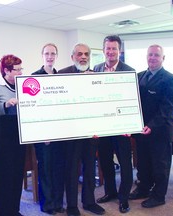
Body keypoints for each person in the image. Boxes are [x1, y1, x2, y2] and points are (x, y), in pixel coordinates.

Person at [129, 44, 173, 208]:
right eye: (150, 55)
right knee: (143, 164)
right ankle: (143, 188)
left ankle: (159, 196)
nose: (152, 58)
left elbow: (167, 108)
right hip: (142, 131)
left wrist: (151, 125)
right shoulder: (139, 76)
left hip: (160, 131)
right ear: (146, 56)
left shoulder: (171, 80)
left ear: (163, 58)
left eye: (156, 55)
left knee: (160, 166)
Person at [58, 43, 105, 216]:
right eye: (79, 54)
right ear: (73, 57)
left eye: (86, 54)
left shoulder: (96, 76)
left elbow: (101, 103)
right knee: (71, 170)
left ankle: (89, 201)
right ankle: (71, 205)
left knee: (89, 168)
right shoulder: (62, 74)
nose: (83, 57)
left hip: (91, 132)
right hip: (71, 133)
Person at [94, 35, 135, 214]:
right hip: (103, 128)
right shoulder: (96, 69)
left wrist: (131, 125)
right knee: (105, 162)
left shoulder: (129, 71)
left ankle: (123, 198)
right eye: (108, 49)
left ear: (120, 51)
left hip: (121, 128)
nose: (110, 52)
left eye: (114, 49)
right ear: (103, 50)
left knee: (125, 164)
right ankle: (110, 192)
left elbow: (133, 101)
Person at [0, 54, 26, 216]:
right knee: (4, 176)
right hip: (3, 136)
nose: (20, 72)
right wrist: (5, 105)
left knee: (18, 174)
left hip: (20, 135)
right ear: (6, 71)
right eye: (17, 70)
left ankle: (14, 210)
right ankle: (3, 212)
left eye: (21, 69)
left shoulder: (23, 85)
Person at [32, 43, 65, 215]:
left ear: (56, 56)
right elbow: (34, 108)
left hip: (59, 132)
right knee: (45, 169)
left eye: (53, 53)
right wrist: (42, 132)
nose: (50, 56)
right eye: (47, 53)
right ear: (42, 55)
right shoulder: (34, 77)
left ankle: (58, 202)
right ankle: (48, 204)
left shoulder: (61, 77)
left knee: (59, 169)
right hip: (43, 134)